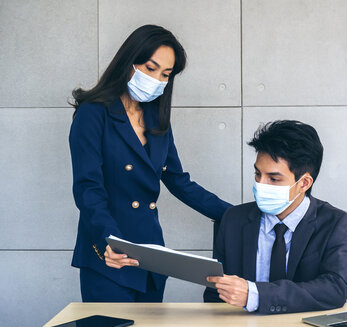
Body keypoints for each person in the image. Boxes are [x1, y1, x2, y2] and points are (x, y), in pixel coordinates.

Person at [69, 24, 231, 302]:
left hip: (152, 256)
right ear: (128, 62)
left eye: (165, 74)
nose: (157, 79)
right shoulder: (94, 114)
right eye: (150, 67)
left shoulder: (157, 120)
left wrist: (235, 215)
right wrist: (110, 240)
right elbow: (88, 189)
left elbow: (179, 181)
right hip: (109, 255)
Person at [204, 120, 347, 314]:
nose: (261, 184)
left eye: (274, 179)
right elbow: (214, 295)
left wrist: (255, 295)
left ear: (304, 183)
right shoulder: (234, 219)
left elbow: (335, 289)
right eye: (257, 173)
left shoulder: (337, 223)